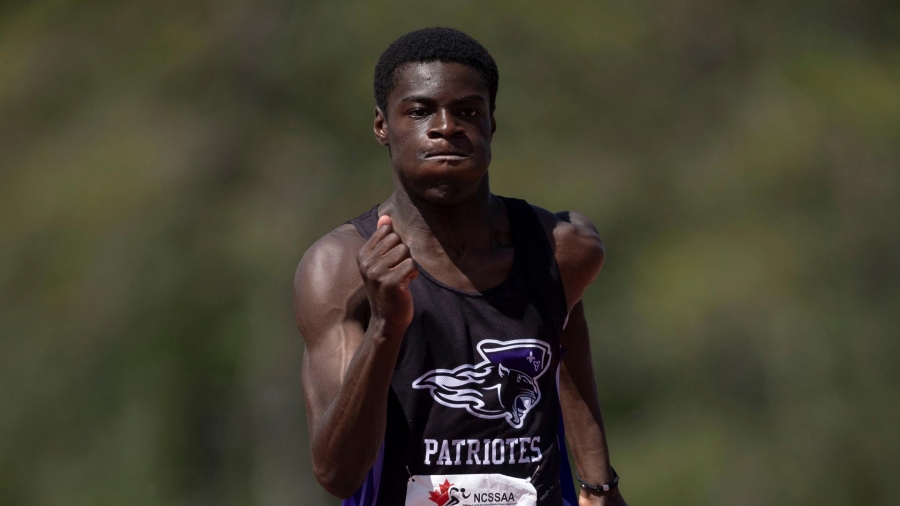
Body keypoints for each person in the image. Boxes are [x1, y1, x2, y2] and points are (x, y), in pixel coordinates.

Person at [294, 27, 626, 506]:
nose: (447, 126)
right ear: (382, 125)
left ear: (492, 124)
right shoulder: (339, 268)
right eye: (420, 110)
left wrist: (599, 485)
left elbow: (565, 335)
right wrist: (386, 327)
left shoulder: (562, 250)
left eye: (468, 111)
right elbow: (336, 473)